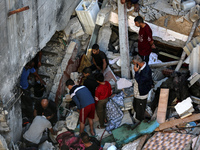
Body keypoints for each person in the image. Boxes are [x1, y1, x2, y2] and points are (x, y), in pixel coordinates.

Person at [132, 55, 153, 121]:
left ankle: (140, 122)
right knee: (136, 106)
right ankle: (137, 117)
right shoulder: (143, 67)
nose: (133, 65)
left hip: (141, 94)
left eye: (134, 64)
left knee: (140, 110)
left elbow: (140, 82)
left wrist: (136, 72)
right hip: (138, 92)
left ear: (137, 64)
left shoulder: (146, 71)